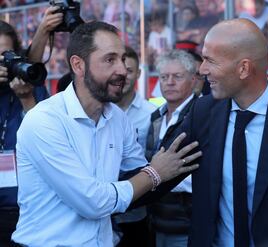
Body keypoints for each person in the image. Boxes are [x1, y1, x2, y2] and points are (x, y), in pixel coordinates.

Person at [137, 18, 268, 247]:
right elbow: (165, 173)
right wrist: (113, 195)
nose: (202, 69)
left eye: (210, 60)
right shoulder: (204, 113)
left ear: (243, 68)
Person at [11, 21, 201, 246]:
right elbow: (93, 202)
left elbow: (136, 184)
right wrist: (155, 172)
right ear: (78, 65)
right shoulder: (44, 121)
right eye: (110, 59)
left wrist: (174, 165)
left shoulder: (117, 118)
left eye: (122, 59)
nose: (122, 70)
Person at [0, 6, 63, 246]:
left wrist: (26, 98)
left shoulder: (30, 85)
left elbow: (50, 139)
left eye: (6, 55)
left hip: (30, 210)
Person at [145, 49, 197, 247]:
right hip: (158, 220)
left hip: (188, 222)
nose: (169, 82)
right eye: (164, 77)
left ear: (193, 79)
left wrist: (154, 177)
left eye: (177, 76)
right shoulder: (156, 116)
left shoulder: (201, 115)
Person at [113, 46, 156, 247]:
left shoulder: (152, 113)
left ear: (138, 73)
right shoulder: (99, 111)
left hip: (136, 212)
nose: (123, 74)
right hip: (102, 212)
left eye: (129, 71)